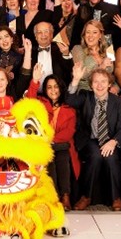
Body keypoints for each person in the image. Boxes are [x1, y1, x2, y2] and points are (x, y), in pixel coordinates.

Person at [66, 64, 121, 211]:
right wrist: (75, 80)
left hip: (110, 139)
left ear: (109, 84)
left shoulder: (118, 102)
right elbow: (69, 101)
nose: (100, 85)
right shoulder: (86, 96)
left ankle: (116, 197)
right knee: (96, 155)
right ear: (91, 85)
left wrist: (114, 141)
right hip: (89, 139)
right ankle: (86, 197)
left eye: (103, 81)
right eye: (96, 82)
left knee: (111, 157)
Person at [28, 64, 79, 211]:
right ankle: (54, 197)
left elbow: (69, 132)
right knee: (49, 157)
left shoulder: (69, 109)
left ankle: (65, 197)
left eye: (56, 87)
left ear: (61, 88)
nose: (53, 90)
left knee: (62, 156)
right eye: (49, 87)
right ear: (45, 90)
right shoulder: (40, 103)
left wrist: (50, 140)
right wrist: (35, 81)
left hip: (61, 145)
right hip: (44, 146)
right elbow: (29, 102)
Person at [71, 20, 114, 92]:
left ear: (100, 35)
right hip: (85, 92)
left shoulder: (108, 49)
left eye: (94, 32)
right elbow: (82, 75)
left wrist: (116, 87)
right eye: (88, 32)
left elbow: (111, 73)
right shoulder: (78, 49)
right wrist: (102, 66)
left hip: (104, 91)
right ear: (84, 35)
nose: (90, 36)